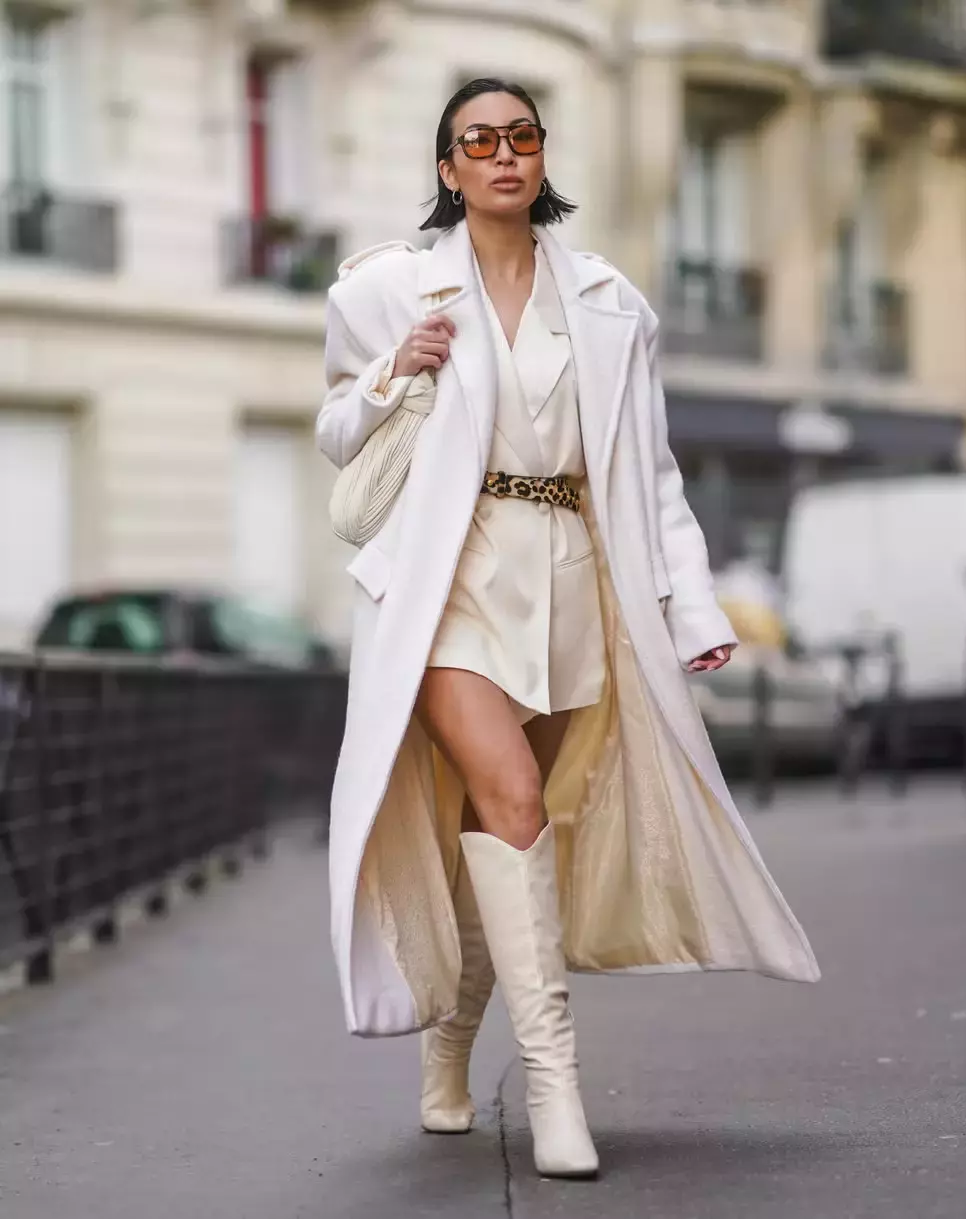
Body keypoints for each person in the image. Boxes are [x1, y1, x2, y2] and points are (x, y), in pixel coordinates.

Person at [317, 77, 819, 1181]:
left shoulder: (607, 301)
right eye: (477, 140)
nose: (502, 154)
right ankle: (553, 1086)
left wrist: (690, 605)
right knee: (503, 798)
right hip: (450, 579)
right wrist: (393, 373)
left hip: (571, 579)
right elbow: (333, 433)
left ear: (541, 157)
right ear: (447, 167)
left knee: (518, 831)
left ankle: (450, 1046)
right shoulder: (388, 288)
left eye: (520, 136)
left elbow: (648, 471)